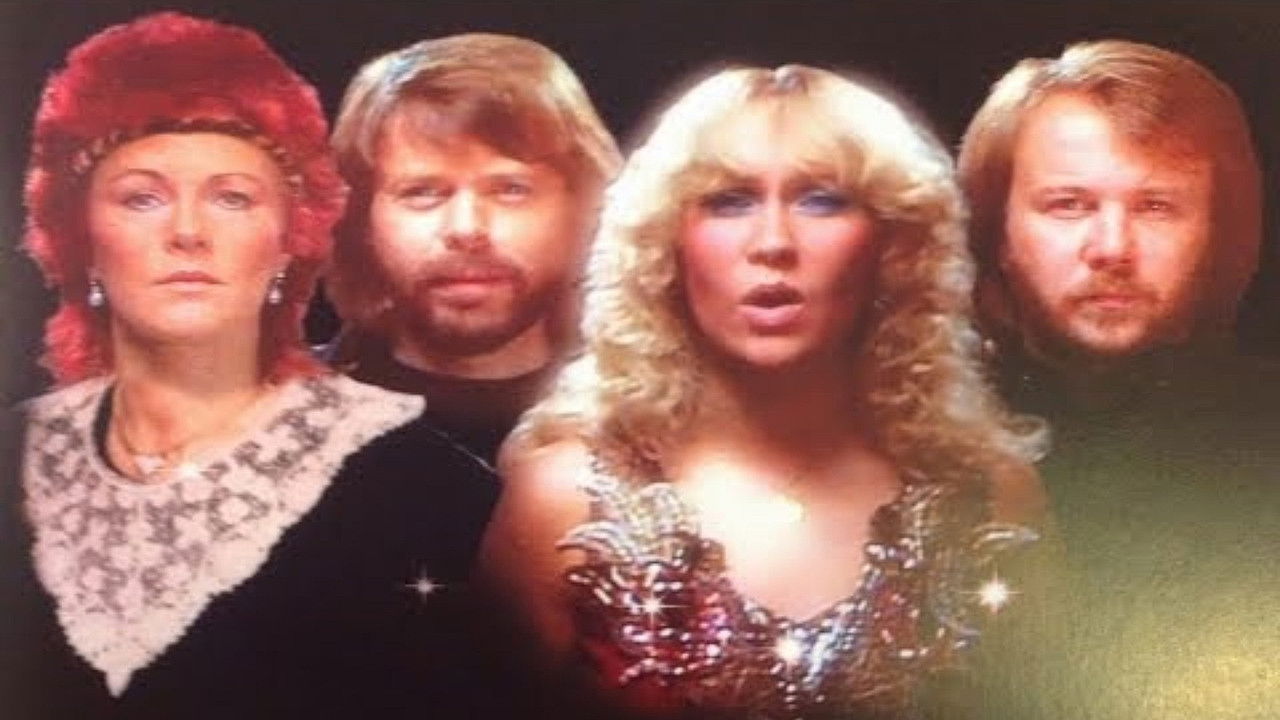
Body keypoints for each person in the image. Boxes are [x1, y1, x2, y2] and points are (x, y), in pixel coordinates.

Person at [479, 64, 1045, 719]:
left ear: (894, 245)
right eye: (729, 200)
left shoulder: (992, 499)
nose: (773, 243)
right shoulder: (564, 503)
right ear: (666, 243)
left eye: (822, 200)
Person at [0, 13, 499, 719]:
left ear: (290, 239)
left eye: (232, 198)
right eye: (142, 197)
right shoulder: (15, 453)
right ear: (79, 237)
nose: (188, 232)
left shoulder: (427, 488)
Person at [955, 40, 1280, 718]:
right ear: (997, 233)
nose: (1112, 249)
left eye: (1156, 206)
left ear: (1216, 232)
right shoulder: (912, 435)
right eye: (1068, 204)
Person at [324, 33, 621, 465]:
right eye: (423, 192)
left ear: (584, 209)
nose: (466, 229)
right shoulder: (271, 423)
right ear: (360, 217)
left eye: (510, 189)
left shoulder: (660, 422)